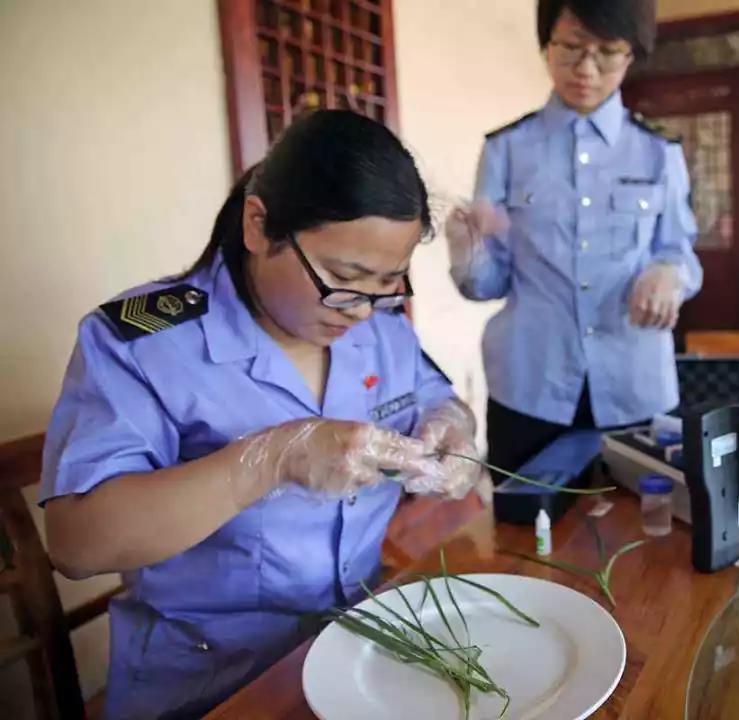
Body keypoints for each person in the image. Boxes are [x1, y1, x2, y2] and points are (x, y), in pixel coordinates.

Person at [40, 110, 489, 719]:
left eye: (388, 281)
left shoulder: (380, 327)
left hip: (359, 644)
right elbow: (77, 542)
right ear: (259, 225)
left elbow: (437, 398)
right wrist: (270, 459)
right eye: (343, 277)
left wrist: (453, 429)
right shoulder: (143, 341)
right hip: (207, 679)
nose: (360, 310)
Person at [446, 0, 701, 472]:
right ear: (547, 45)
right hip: (529, 385)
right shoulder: (505, 148)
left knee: (645, 531)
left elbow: (679, 250)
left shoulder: (658, 152)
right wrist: (467, 249)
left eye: (607, 52)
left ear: (631, 56)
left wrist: (670, 273)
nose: (586, 68)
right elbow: (485, 286)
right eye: (570, 48)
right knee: (526, 532)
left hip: (634, 383)